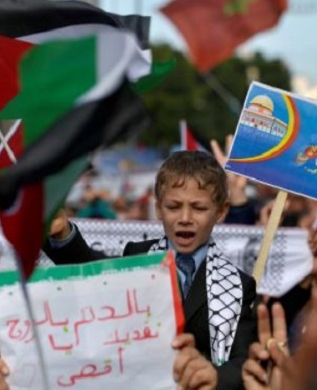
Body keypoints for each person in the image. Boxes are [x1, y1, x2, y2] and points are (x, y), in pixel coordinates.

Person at [45, 150, 257, 390]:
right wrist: (63, 235)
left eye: (198, 208)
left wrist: (215, 376)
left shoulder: (238, 285)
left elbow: (245, 362)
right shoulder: (137, 258)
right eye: (174, 206)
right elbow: (90, 271)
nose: (185, 218)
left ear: (220, 211)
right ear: (158, 208)